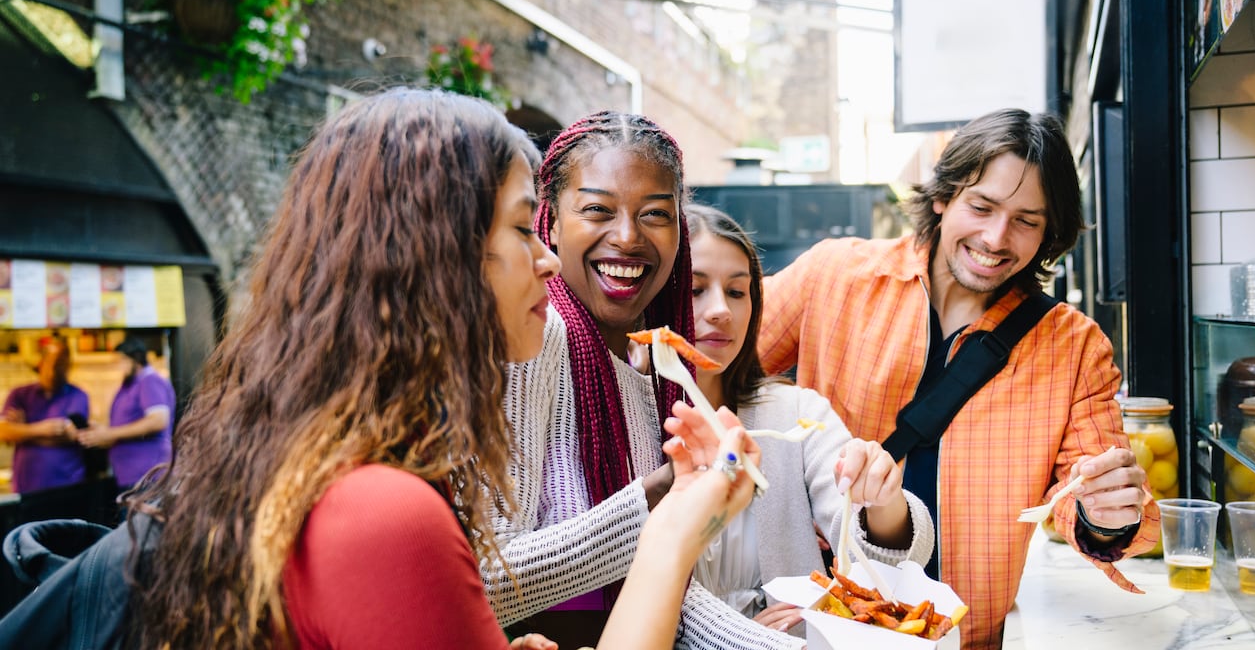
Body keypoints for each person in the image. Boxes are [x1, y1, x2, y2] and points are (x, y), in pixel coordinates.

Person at [118, 87, 759, 650]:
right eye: (523, 227)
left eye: (655, 214)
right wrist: (664, 518)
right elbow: (485, 581)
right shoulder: (385, 511)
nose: (545, 259)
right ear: (438, 257)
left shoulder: (357, 465)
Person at [757, 109, 1161, 649]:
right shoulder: (833, 276)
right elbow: (711, 370)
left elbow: (1082, 497)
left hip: (969, 637)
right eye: (982, 206)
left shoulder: (1075, 347)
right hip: (816, 630)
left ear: (1048, 233)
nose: (996, 238)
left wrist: (1107, 515)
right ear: (944, 196)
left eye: (1026, 220)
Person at [488, 111, 802, 650]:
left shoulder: (650, 370)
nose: (628, 236)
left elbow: (661, 588)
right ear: (551, 222)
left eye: (655, 214)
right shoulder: (535, 339)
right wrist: (659, 499)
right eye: (597, 210)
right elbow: (487, 579)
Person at [684, 203, 935, 641]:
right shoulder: (618, 419)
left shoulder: (796, 413)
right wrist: (737, 636)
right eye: (695, 289)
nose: (721, 309)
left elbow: (883, 553)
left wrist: (882, 500)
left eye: (738, 291)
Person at [77, 336, 174, 491]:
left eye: (121, 361)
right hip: (130, 477)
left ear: (135, 359)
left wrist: (110, 434)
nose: (118, 367)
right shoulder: (130, 385)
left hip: (147, 477)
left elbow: (158, 420)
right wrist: (101, 432)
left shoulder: (150, 381)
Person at [0, 338, 88, 493]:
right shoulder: (19, 394)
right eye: (52, 363)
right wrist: (42, 429)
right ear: (40, 363)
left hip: (67, 485)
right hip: (26, 486)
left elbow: (72, 435)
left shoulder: (78, 395)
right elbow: (3, 432)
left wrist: (21, 431)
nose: (56, 369)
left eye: (62, 364)